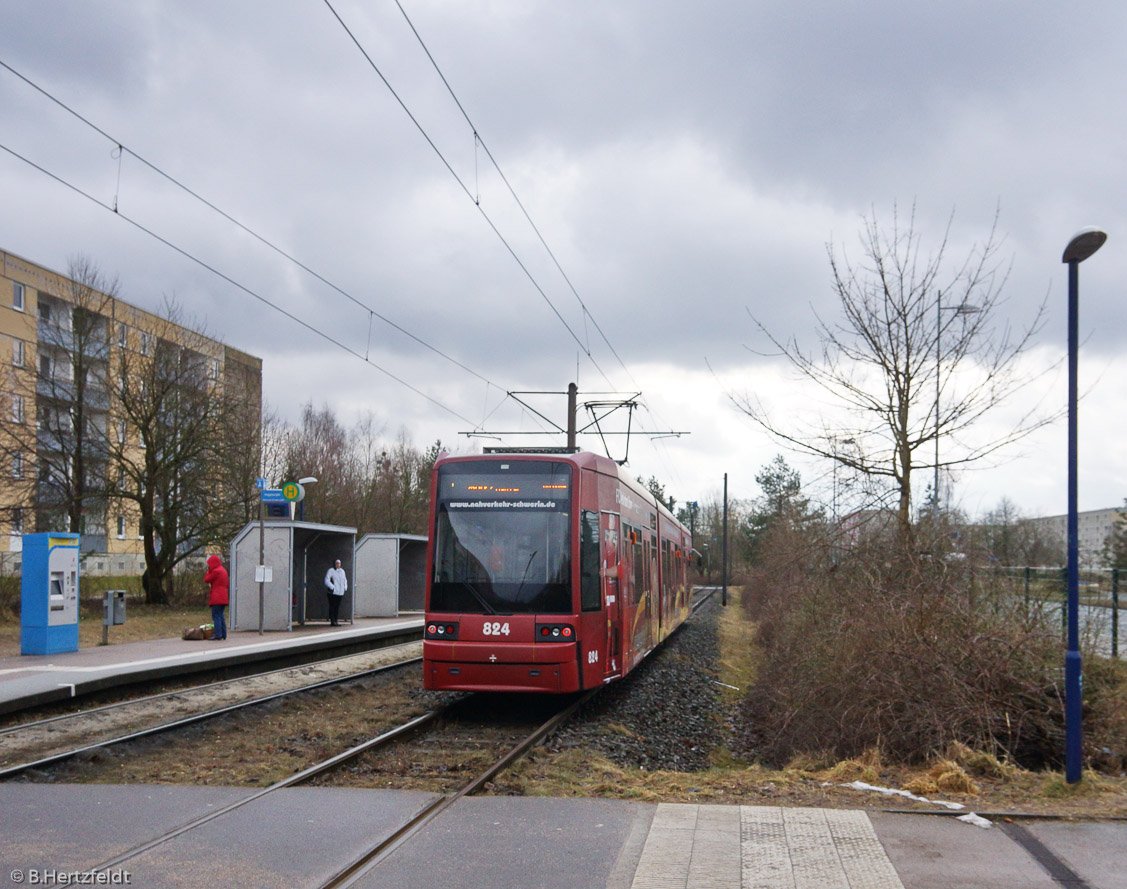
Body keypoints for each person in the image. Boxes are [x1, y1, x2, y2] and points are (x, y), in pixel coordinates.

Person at [204, 554, 229, 641]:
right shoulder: (223, 571)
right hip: (224, 596)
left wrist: (209, 571)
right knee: (221, 615)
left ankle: (218, 634)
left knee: (216, 616)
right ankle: (223, 633)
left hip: (217, 596)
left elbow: (207, 579)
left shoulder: (215, 571)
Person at [324, 558, 347, 626]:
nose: (338, 565)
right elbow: (326, 580)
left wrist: (345, 587)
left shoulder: (342, 571)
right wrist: (332, 587)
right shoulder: (330, 571)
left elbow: (345, 580)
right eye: (337, 563)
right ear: (334, 564)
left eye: (339, 563)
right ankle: (332, 621)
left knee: (337, 607)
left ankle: (336, 620)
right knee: (332, 606)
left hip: (340, 592)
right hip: (332, 593)